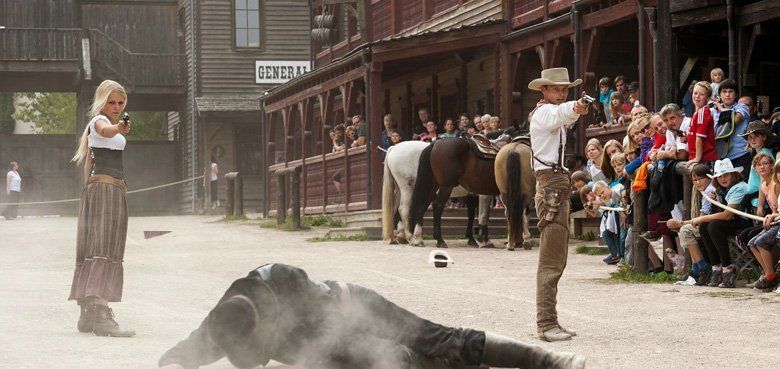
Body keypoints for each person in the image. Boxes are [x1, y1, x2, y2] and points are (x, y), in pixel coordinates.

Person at [158, 264, 586, 369]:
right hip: (328, 348)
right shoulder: (223, 322)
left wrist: (381, 353)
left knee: (436, 341)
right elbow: (179, 356)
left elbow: (336, 337)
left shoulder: (281, 280)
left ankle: (545, 361)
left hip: (353, 310)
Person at [68, 79, 135, 337]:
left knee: (100, 245)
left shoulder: (102, 126)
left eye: (120, 102)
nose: (116, 106)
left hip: (106, 188)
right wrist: (118, 127)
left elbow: (90, 160)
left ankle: (88, 314)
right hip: (105, 189)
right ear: (102, 101)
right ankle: (100, 312)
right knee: (103, 247)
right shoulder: (99, 122)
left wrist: (89, 191)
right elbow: (106, 131)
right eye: (111, 102)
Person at [527, 67, 589, 342]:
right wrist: (576, 106)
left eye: (565, 89)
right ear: (544, 90)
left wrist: (573, 109)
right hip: (552, 184)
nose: (561, 92)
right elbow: (563, 113)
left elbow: (564, 115)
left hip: (556, 182)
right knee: (551, 259)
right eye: (556, 88)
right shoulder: (545, 113)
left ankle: (550, 321)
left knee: (556, 257)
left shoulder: (548, 113)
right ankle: (546, 323)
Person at [696, 158, 749, 288]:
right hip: (731, 222)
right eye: (719, 177)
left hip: (744, 222)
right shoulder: (723, 189)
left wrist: (701, 218)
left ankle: (728, 268)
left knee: (713, 225)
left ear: (733, 174)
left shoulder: (739, 187)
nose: (723, 179)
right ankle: (716, 267)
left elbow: (727, 215)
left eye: (726, 175)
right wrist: (717, 200)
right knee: (704, 227)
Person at [666, 164, 716, 285]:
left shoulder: (709, 190)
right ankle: (696, 269)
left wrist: (680, 223)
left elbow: (702, 217)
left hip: (711, 225)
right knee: (685, 230)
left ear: (709, 178)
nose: (698, 183)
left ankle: (702, 267)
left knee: (685, 230)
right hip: (707, 223)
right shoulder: (704, 191)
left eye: (700, 179)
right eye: (695, 180)